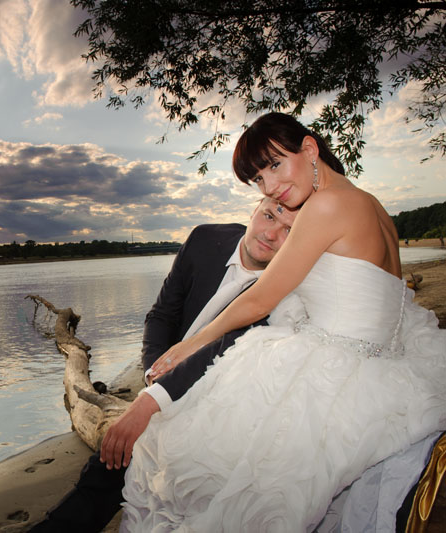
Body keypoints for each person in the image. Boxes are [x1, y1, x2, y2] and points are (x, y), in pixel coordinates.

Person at [120, 113, 446, 531]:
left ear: (309, 149)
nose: (270, 186)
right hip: (383, 364)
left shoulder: (326, 205)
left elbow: (260, 299)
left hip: (338, 370)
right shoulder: (373, 206)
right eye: (259, 179)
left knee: (195, 459)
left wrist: (187, 345)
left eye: (275, 164)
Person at [30, 196, 297, 532]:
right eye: (270, 216)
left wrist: (155, 399)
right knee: (113, 461)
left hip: (224, 394)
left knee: (125, 455)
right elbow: (161, 316)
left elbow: (222, 353)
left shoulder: (287, 289)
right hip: (166, 382)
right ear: (255, 209)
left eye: (289, 230)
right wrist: (153, 374)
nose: (271, 234)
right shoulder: (204, 240)